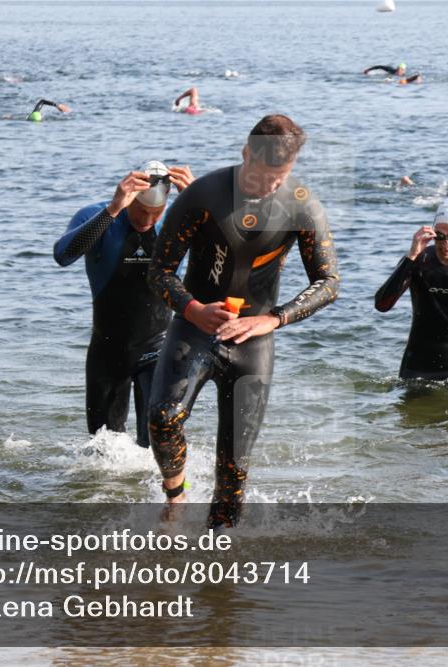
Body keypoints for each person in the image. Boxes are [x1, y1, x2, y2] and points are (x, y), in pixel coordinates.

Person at [146, 114, 340, 527]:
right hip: (195, 327)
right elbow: (158, 271)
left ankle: (220, 573)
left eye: (280, 176)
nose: (269, 185)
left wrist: (273, 319)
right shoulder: (203, 194)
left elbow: (328, 283)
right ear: (246, 153)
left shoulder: (301, 203)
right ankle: (175, 494)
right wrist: (193, 309)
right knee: (162, 420)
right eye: (262, 174)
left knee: (234, 467)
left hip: (253, 340)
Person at [54, 161, 195, 447]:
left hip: (157, 348)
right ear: (129, 198)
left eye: (156, 213)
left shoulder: (178, 222)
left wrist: (198, 201)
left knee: (158, 442)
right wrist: (114, 209)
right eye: (141, 210)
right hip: (107, 351)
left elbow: (230, 246)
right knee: (104, 450)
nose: (147, 219)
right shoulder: (98, 215)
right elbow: (63, 255)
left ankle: (171, 491)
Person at [374, 196, 448, 381]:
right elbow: (382, 305)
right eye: (440, 236)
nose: (446, 245)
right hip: (415, 366)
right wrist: (411, 256)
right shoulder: (419, 261)